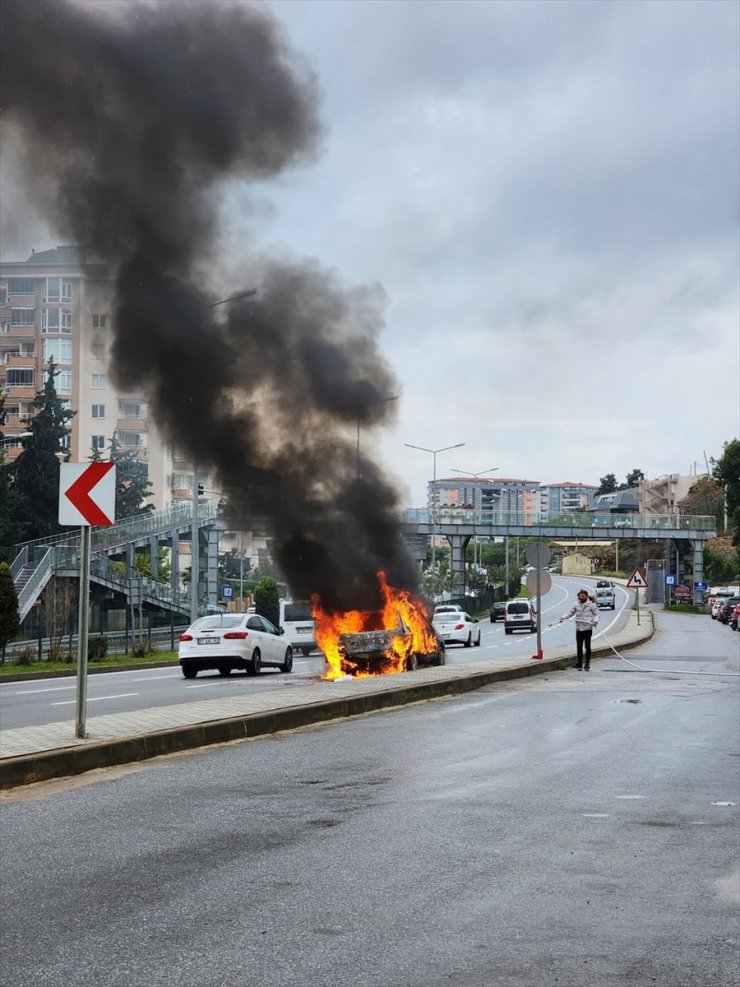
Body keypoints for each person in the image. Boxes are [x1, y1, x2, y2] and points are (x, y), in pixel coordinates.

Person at [558, 588, 599, 670]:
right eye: (580, 596)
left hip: (587, 628)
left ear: (586, 596)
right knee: (579, 647)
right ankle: (579, 663)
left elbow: (597, 614)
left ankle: (587, 663)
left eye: (583, 596)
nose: (581, 598)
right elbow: (570, 612)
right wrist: (563, 618)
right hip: (579, 629)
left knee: (587, 646)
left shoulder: (591, 604)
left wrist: (595, 621)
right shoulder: (576, 604)